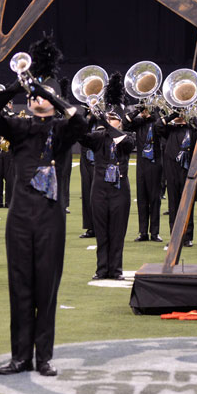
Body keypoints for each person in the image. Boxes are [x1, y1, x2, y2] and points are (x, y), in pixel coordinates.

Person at [0, 36, 86, 377]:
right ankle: (20, 357)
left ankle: (44, 358)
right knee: (20, 287)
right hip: (20, 218)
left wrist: (50, 92)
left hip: (51, 218)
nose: (38, 101)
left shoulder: (62, 130)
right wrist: (18, 85)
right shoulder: (20, 127)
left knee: (47, 289)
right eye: (35, 97)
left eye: (45, 98)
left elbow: (80, 122)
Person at [82, 112, 134, 280]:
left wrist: (106, 123)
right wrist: (90, 119)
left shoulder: (128, 136)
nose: (111, 121)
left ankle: (116, 270)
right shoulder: (98, 137)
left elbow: (125, 143)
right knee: (101, 231)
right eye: (109, 118)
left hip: (120, 190)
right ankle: (101, 269)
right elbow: (81, 137)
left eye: (115, 118)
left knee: (118, 232)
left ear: (121, 122)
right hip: (99, 190)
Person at [155, 110, 197, 248]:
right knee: (173, 204)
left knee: (187, 203)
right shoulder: (170, 129)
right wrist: (173, 115)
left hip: (187, 170)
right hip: (172, 170)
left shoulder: (191, 129)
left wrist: (192, 119)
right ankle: (175, 236)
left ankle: (187, 237)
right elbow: (158, 125)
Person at [124, 104, 163, 242]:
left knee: (155, 199)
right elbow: (125, 124)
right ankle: (143, 232)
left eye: (147, 109)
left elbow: (161, 123)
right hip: (141, 164)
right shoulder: (139, 122)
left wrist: (153, 112)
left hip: (155, 163)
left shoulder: (157, 122)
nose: (145, 111)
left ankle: (155, 232)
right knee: (142, 199)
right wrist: (138, 111)